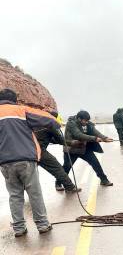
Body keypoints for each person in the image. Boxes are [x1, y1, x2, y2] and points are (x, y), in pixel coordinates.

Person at [0, 88, 59, 237]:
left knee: (14, 195)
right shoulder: (21, 110)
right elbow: (49, 119)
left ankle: (19, 228)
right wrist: (56, 125)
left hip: (5, 162)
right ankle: (43, 225)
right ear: (14, 100)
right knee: (35, 193)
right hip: (25, 159)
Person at [61, 110, 114, 187]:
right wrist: (95, 139)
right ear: (79, 119)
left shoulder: (86, 123)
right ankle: (58, 183)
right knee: (66, 167)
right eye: (85, 121)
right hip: (72, 149)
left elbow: (94, 131)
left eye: (87, 121)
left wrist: (104, 138)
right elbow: (78, 135)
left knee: (95, 163)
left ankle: (104, 180)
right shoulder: (71, 123)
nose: (86, 122)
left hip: (84, 148)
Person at [33, 111, 82, 193]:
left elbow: (48, 138)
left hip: (26, 151)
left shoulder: (36, 123)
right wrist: (72, 143)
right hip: (39, 152)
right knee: (57, 168)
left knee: (28, 174)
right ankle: (69, 187)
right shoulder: (50, 125)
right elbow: (60, 140)